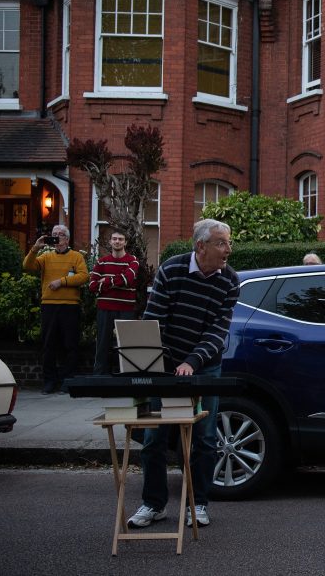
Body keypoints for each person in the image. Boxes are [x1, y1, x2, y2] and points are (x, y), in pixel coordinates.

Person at [127, 219, 239, 530]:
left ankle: (198, 504)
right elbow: (155, 319)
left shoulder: (230, 280)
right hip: (165, 363)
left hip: (207, 364)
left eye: (228, 242)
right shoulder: (171, 270)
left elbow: (217, 332)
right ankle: (153, 504)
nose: (228, 249)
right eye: (221, 243)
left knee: (204, 439)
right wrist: (165, 362)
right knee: (154, 438)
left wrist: (191, 361)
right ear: (200, 246)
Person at [23, 224, 89, 394]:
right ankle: (49, 381)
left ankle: (67, 380)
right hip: (49, 305)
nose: (57, 237)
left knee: (70, 345)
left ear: (67, 239)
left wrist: (62, 281)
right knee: (48, 345)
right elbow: (28, 266)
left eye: (60, 235)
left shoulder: (76, 257)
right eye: (54, 234)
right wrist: (35, 248)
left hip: (70, 306)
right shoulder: (45, 256)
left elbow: (84, 276)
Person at [87, 231, 139, 374]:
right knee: (102, 343)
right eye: (114, 239)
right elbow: (92, 286)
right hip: (105, 308)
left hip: (126, 307)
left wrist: (106, 281)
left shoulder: (132, 260)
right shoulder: (102, 262)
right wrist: (118, 281)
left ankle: (129, 375)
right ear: (110, 242)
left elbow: (128, 279)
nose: (117, 242)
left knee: (127, 344)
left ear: (125, 242)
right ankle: (99, 377)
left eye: (120, 239)